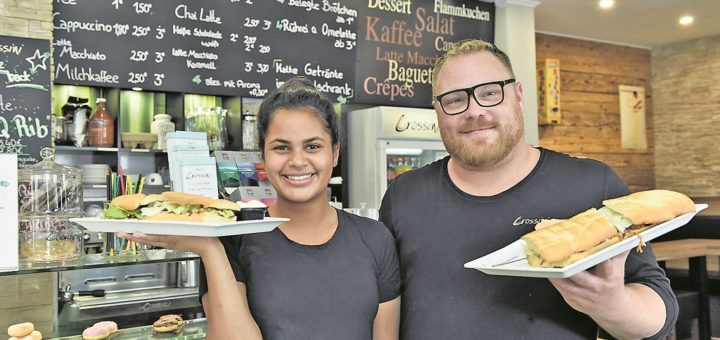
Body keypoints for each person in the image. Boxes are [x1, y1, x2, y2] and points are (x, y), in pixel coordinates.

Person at [378, 39, 678, 339]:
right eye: (455, 100)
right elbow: (382, 307)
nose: (474, 111)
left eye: (490, 93)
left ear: (518, 96)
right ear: (437, 110)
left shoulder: (592, 185)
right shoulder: (404, 195)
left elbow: (658, 313)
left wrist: (613, 305)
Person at [121, 76, 401, 339]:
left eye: (313, 146)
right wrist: (209, 248)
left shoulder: (376, 240)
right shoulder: (233, 239)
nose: (297, 161)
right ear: (263, 158)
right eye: (281, 148)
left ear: (335, 153)